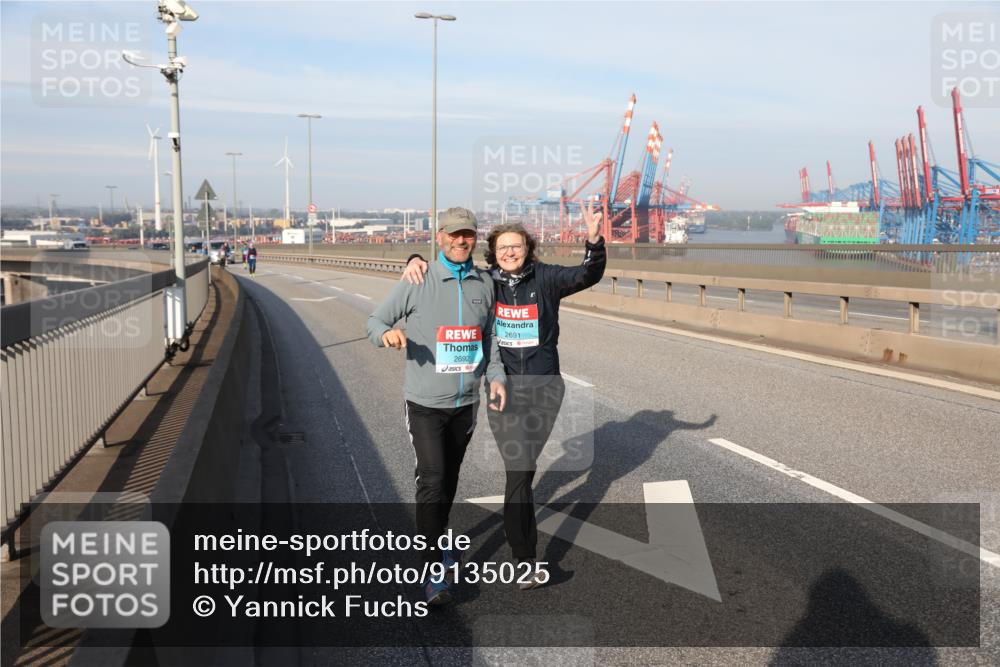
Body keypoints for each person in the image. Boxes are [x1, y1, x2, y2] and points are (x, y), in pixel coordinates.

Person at [402, 202, 605, 589]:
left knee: (523, 472)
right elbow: (451, 269)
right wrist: (415, 258)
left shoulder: (546, 279)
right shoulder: (485, 281)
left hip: (545, 388)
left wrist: (593, 239)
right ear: (492, 253)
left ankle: (521, 555)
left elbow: (587, 274)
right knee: (520, 471)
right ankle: (526, 561)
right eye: (502, 247)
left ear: (528, 248)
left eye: (517, 246)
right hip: (503, 388)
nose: (510, 252)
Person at [367, 207, 507, 606]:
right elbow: (374, 322)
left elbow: (490, 338)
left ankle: (438, 539)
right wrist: (388, 335)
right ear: (440, 236)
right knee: (432, 478)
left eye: (468, 235)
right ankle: (434, 573)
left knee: (446, 483)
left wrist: (495, 377)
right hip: (425, 403)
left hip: (465, 404)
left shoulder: (484, 282)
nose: (461, 241)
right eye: (454, 235)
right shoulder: (418, 278)